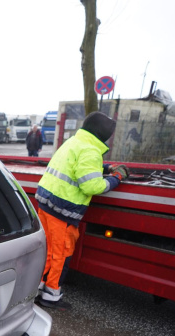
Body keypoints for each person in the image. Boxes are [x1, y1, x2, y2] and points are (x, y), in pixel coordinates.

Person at [34, 111, 129, 309]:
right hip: (63, 210)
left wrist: (104, 167)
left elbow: (77, 167)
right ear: (103, 135)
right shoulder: (91, 151)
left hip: (47, 203)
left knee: (48, 251)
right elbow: (92, 186)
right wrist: (116, 178)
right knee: (61, 254)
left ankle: (37, 289)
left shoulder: (74, 142)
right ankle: (51, 296)